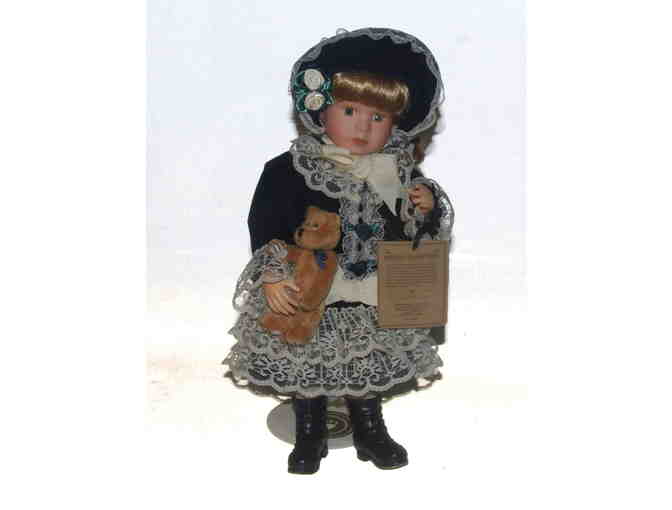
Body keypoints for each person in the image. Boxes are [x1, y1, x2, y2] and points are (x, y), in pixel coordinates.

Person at [223, 27, 454, 474]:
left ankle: (369, 428)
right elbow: (266, 225)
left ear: (396, 124)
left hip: (372, 292)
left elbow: (412, 237)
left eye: (378, 117)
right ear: (320, 110)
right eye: (349, 111)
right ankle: (310, 431)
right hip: (310, 290)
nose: (362, 127)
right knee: (306, 360)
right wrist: (272, 273)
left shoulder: (397, 173)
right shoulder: (289, 170)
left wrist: (422, 208)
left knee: (365, 363)